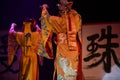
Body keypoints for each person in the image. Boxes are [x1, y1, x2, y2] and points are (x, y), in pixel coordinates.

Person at [39, 0, 85, 79]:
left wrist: (44, 9)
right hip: (68, 48)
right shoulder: (76, 17)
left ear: (65, 6)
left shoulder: (71, 17)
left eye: (59, 4)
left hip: (67, 48)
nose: (58, 6)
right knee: (67, 71)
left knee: (68, 71)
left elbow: (49, 19)